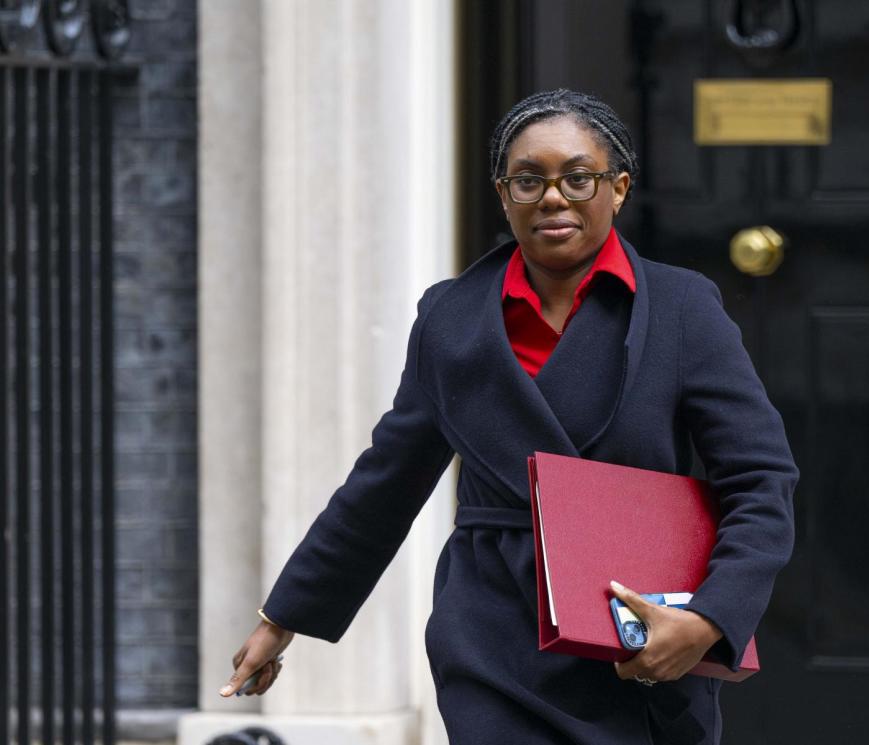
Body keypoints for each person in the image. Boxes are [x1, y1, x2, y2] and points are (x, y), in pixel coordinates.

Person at [217, 89, 798, 744]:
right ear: (502, 193)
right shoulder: (450, 317)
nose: (553, 197)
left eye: (578, 177)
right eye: (529, 180)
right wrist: (282, 616)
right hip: (492, 636)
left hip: (641, 633)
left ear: (619, 187)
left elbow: (760, 480)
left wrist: (709, 620)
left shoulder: (682, 308)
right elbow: (384, 485)